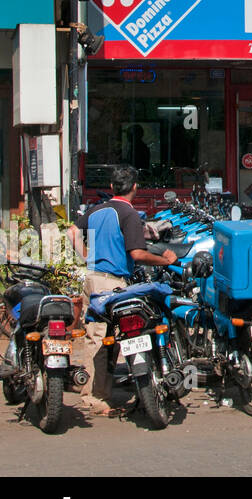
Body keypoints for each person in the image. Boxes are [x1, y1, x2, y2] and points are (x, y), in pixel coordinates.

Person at [67, 164, 176, 416]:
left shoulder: (96, 210)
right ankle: (94, 398)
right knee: (108, 338)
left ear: (112, 187)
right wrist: (165, 260)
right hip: (113, 283)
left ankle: (101, 392)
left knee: (99, 337)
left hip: (93, 279)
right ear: (135, 188)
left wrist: (86, 258)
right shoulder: (128, 214)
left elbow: (72, 232)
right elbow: (137, 254)